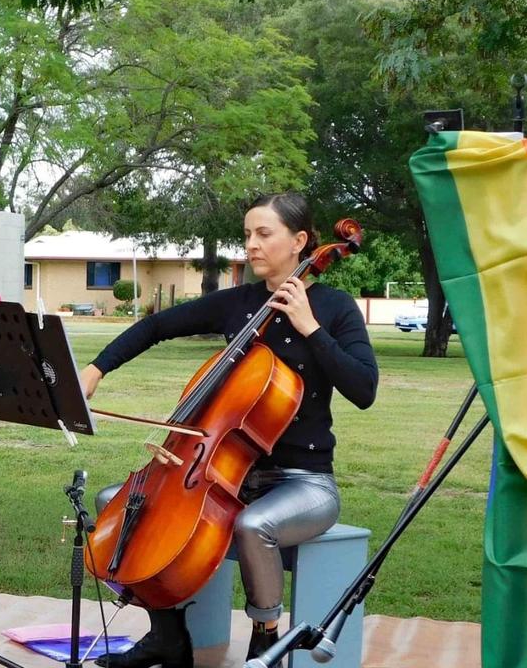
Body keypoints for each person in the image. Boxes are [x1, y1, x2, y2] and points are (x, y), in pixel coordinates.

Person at [80, 193, 378, 668]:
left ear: (300, 241)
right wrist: (96, 369)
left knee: (252, 526)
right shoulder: (240, 303)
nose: (252, 245)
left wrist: (310, 329)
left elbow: (364, 388)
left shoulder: (334, 308)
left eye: (264, 234)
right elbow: (156, 326)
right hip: (223, 474)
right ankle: (167, 633)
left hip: (303, 482)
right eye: (247, 235)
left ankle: (267, 639)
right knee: (116, 502)